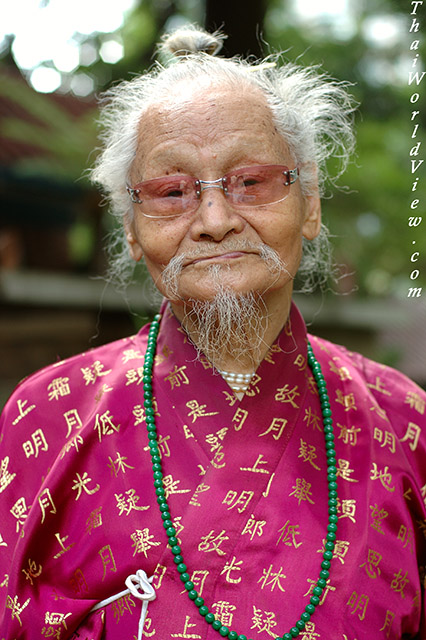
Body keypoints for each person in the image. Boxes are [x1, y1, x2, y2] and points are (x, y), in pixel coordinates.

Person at [0, 25, 425, 640]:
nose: (215, 221)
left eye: (250, 181)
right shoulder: (46, 416)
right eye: (172, 192)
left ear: (309, 204)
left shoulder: (402, 422)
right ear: (130, 226)